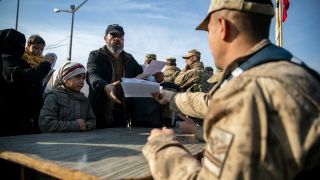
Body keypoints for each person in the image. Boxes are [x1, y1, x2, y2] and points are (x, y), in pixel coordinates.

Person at [143, 0, 320, 179]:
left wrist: (163, 147)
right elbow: (215, 102)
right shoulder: (283, 72)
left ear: (222, 26)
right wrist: (172, 98)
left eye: (208, 30)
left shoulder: (252, 90)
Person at [86, 24, 143, 128]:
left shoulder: (129, 59)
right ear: (105, 38)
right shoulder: (96, 55)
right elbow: (91, 75)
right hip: (100, 114)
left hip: (122, 115)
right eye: (113, 35)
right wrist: (104, 86)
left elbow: (141, 74)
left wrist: (156, 77)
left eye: (120, 36)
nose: (117, 38)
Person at [0, 29, 53, 136]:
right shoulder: (6, 60)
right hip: (12, 119)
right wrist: (46, 65)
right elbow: (28, 76)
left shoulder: (18, 60)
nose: (21, 48)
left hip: (27, 116)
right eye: (19, 44)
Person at [39, 62, 96, 133]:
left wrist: (86, 125)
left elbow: (92, 120)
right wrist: (74, 125)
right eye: (77, 77)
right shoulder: (53, 97)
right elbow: (45, 124)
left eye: (83, 77)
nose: (82, 81)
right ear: (66, 79)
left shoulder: (84, 100)